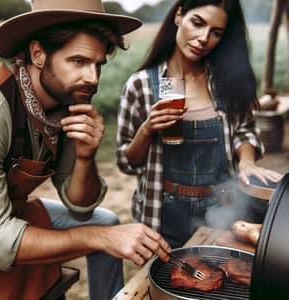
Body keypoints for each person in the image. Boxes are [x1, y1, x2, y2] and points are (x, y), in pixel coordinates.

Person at [0, 1, 171, 299]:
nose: (93, 78)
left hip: (11, 212)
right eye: (78, 61)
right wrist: (99, 238)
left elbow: (80, 207)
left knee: (106, 220)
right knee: (103, 232)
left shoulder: (69, 98)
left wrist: (85, 156)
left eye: (98, 64)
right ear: (38, 54)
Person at [116, 0, 283, 249]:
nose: (204, 38)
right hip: (161, 215)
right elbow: (126, 162)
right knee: (167, 283)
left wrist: (247, 161)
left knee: (218, 278)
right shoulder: (140, 85)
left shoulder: (225, 80)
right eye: (197, 23)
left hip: (222, 211)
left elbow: (244, 130)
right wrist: (147, 130)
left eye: (216, 33)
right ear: (178, 16)